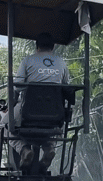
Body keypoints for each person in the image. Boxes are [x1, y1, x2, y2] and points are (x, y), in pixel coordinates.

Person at [10, 32, 71, 173]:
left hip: (28, 114)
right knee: (54, 130)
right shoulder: (61, 62)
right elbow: (66, 87)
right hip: (54, 115)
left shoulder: (28, 60)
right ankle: (49, 148)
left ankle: (24, 150)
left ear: (36, 46)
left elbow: (18, 85)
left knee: (5, 124)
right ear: (53, 46)